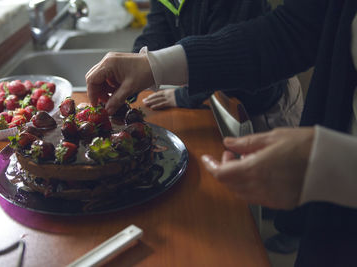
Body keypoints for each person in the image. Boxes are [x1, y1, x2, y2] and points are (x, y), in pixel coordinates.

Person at [86, 0, 357, 265]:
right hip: (338, 215)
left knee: (289, 207)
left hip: (267, 105)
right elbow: (292, 31)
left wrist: (329, 164)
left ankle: (290, 230)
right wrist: (151, 64)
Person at [132, 0, 303, 133]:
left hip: (265, 105)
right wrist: (134, 63)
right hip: (221, 96)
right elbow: (158, 29)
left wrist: (183, 97)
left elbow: (228, 58)